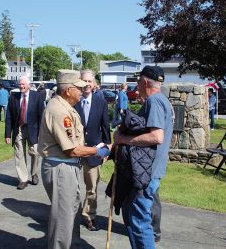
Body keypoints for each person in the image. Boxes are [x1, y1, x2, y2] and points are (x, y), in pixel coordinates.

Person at [37, 69, 111, 249]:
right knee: (63, 218)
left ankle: (72, 245)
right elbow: (72, 150)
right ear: (68, 90)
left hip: (66, 168)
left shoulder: (64, 106)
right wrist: (98, 151)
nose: (83, 89)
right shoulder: (60, 111)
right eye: (78, 87)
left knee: (71, 213)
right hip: (60, 168)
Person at [114, 65, 173, 248]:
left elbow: (157, 137)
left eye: (138, 81)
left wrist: (123, 138)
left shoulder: (154, 101)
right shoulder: (163, 100)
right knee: (133, 219)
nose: (136, 85)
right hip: (149, 171)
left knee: (139, 222)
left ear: (146, 82)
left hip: (146, 174)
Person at [74, 70, 111, 231]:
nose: (87, 84)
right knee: (72, 186)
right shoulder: (73, 102)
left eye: (90, 81)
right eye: (84, 81)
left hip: (93, 151)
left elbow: (105, 127)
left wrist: (107, 148)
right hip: (74, 151)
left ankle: (90, 216)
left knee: (92, 188)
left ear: (94, 83)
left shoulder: (100, 102)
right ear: (79, 82)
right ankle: (71, 214)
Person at [5, 76, 44, 190]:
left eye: (23, 84)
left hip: (33, 129)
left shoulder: (37, 96)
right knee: (19, 154)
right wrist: (8, 134)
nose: (21, 86)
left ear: (29, 85)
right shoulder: (13, 97)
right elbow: (9, 117)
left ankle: (34, 173)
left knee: (35, 153)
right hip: (19, 129)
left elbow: (41, 116)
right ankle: (23, 179)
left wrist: (42, 133)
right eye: (20, 84)